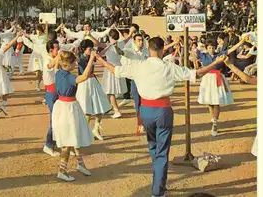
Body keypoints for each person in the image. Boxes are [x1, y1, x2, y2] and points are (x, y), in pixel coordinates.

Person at [96, 37, 227, 197]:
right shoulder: (168, 67)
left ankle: (160, 181)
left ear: (149, 48)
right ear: (162, 49)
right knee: (161, 152)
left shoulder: (139, 66)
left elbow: (114, 70)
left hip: (145, 110)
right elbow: (196, 74)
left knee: (153, 147)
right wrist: (215, 63)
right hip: (162, 110)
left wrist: (99, 60)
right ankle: (158, 190)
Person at [52, 51, 96, 182]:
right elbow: (84, 77)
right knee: (68, 140)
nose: (76, 64)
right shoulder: (69, 77)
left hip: (61, 106)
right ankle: (62, 170)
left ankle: (80, 164)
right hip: (69, 108)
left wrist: (58, 55)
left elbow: (55, 66)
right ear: (69, 64)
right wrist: (91, 59)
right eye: (74, 62)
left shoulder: (58, 73)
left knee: (74, 135)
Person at [197, 36, 247, 136]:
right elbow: (192, 50)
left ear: (215, 47)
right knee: (209, 102)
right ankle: (213, 118)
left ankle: (215, 123)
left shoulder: (219, 54)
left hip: (217, 78)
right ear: (206, 48)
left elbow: (231, 49)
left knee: (216, 102)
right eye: (209, 47)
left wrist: (242, 41)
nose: (211, 49)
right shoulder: (203, 55)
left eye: (213, 47)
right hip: (207, 79)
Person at [76, 38, 112, 141]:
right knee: (87, 111)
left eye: (91, 48)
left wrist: (110, 46)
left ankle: (95, 129)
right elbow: (83, 72)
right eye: (89, 48)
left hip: (93, 82)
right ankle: (84, 133)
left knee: (100, 108)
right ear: (83, 49)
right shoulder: (80, 58)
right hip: (84, 84)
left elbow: (101, 53)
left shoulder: (91, 55)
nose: (91, 50)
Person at [41, 40, 61, 157]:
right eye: (56, 48)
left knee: (61, 118)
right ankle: (48, 145)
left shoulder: (55, 58)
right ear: (50, 50)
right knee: (54, 120)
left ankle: (62, 143)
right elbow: (50, 65)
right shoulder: (47, 60)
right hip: (51, 92)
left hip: (58, 91)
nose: (58, 50)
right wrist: (58, 57)